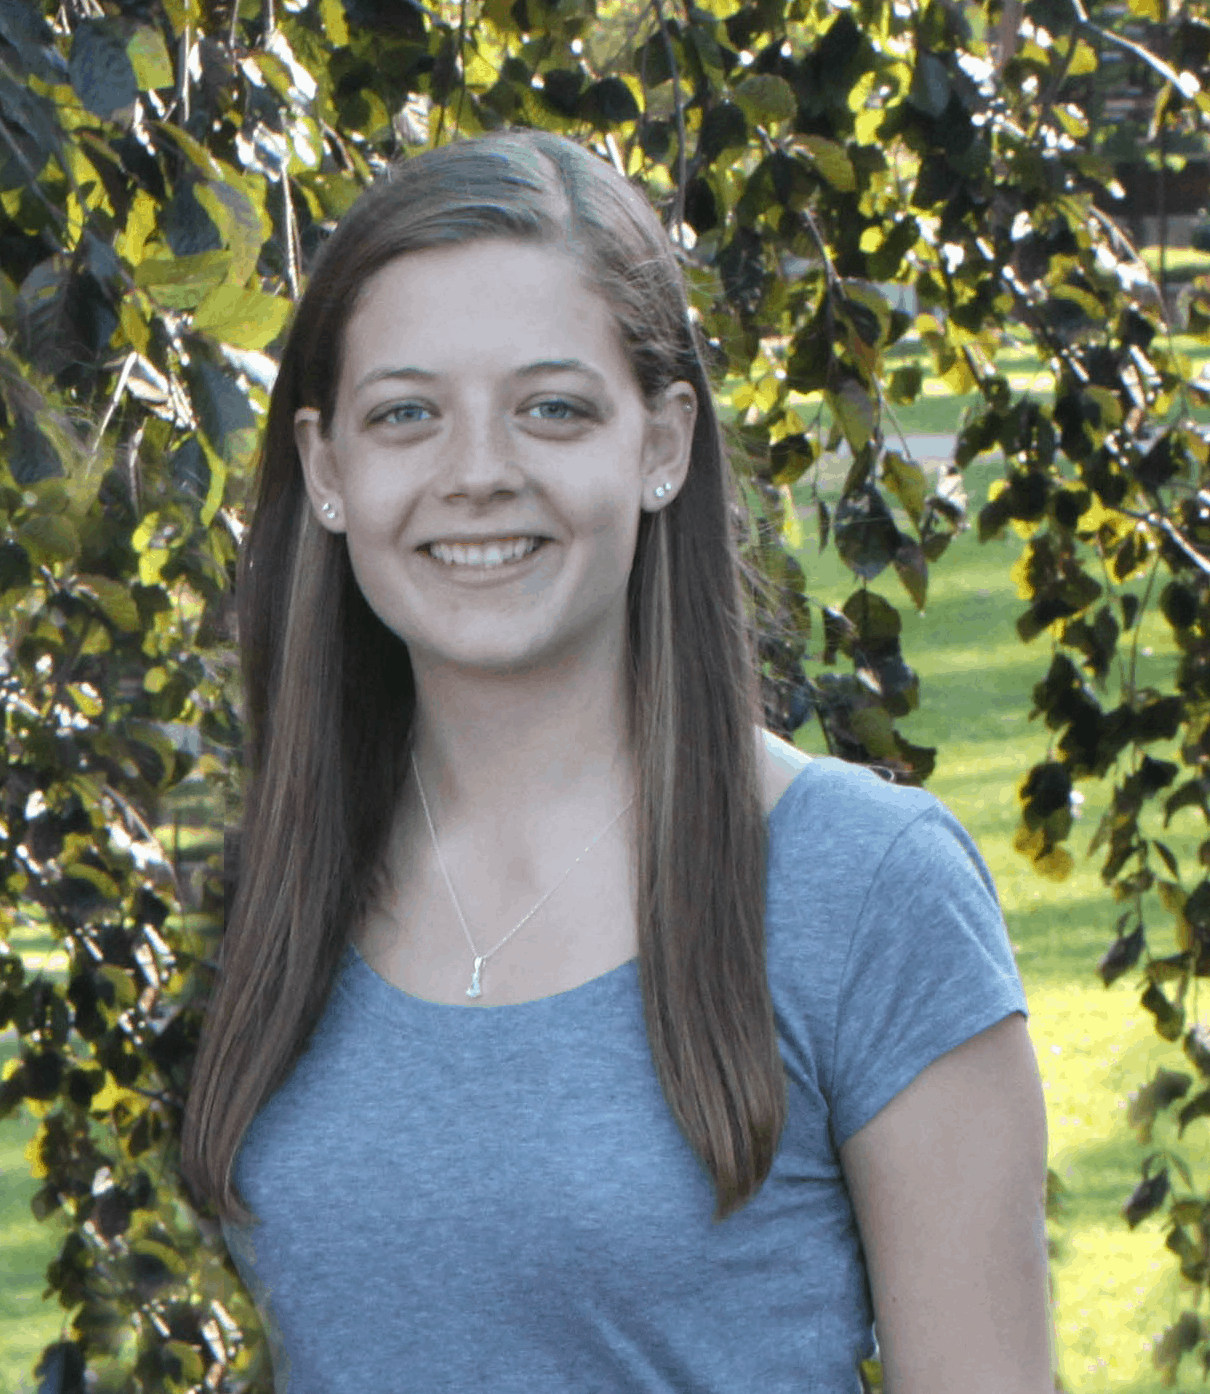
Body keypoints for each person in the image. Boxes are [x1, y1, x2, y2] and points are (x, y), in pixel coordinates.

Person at [180, 128, 1054, 1393]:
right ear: (328, 469)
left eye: (552, 408)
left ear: (661, 444)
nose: (478, 473)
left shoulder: (866, 890)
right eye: (407, 413)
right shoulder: (285, 881)